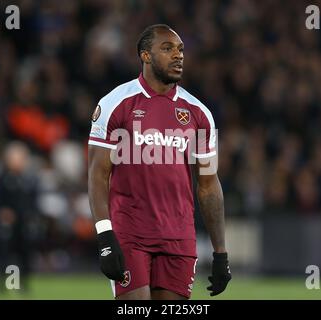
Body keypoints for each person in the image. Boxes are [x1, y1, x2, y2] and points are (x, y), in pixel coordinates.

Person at [88, 24, 231, 300]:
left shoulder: (199, 113)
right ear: (145, 56)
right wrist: (105, 237)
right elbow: (97, 175)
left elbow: (209, 185)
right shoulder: (115, 104)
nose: (178, 56)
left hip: (179, 238)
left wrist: (220, 252)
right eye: (167, 49)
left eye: (180, 50)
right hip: (130, 233)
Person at [0, 141, 38, 292]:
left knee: (25, 254)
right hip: (7, 224)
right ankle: (1, 284)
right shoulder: (3, 179)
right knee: (4, 254)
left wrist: (31, 216)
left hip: (24, 223)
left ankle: (23, 283)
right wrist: (3, 213)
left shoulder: (29, 180)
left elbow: (33, 202)